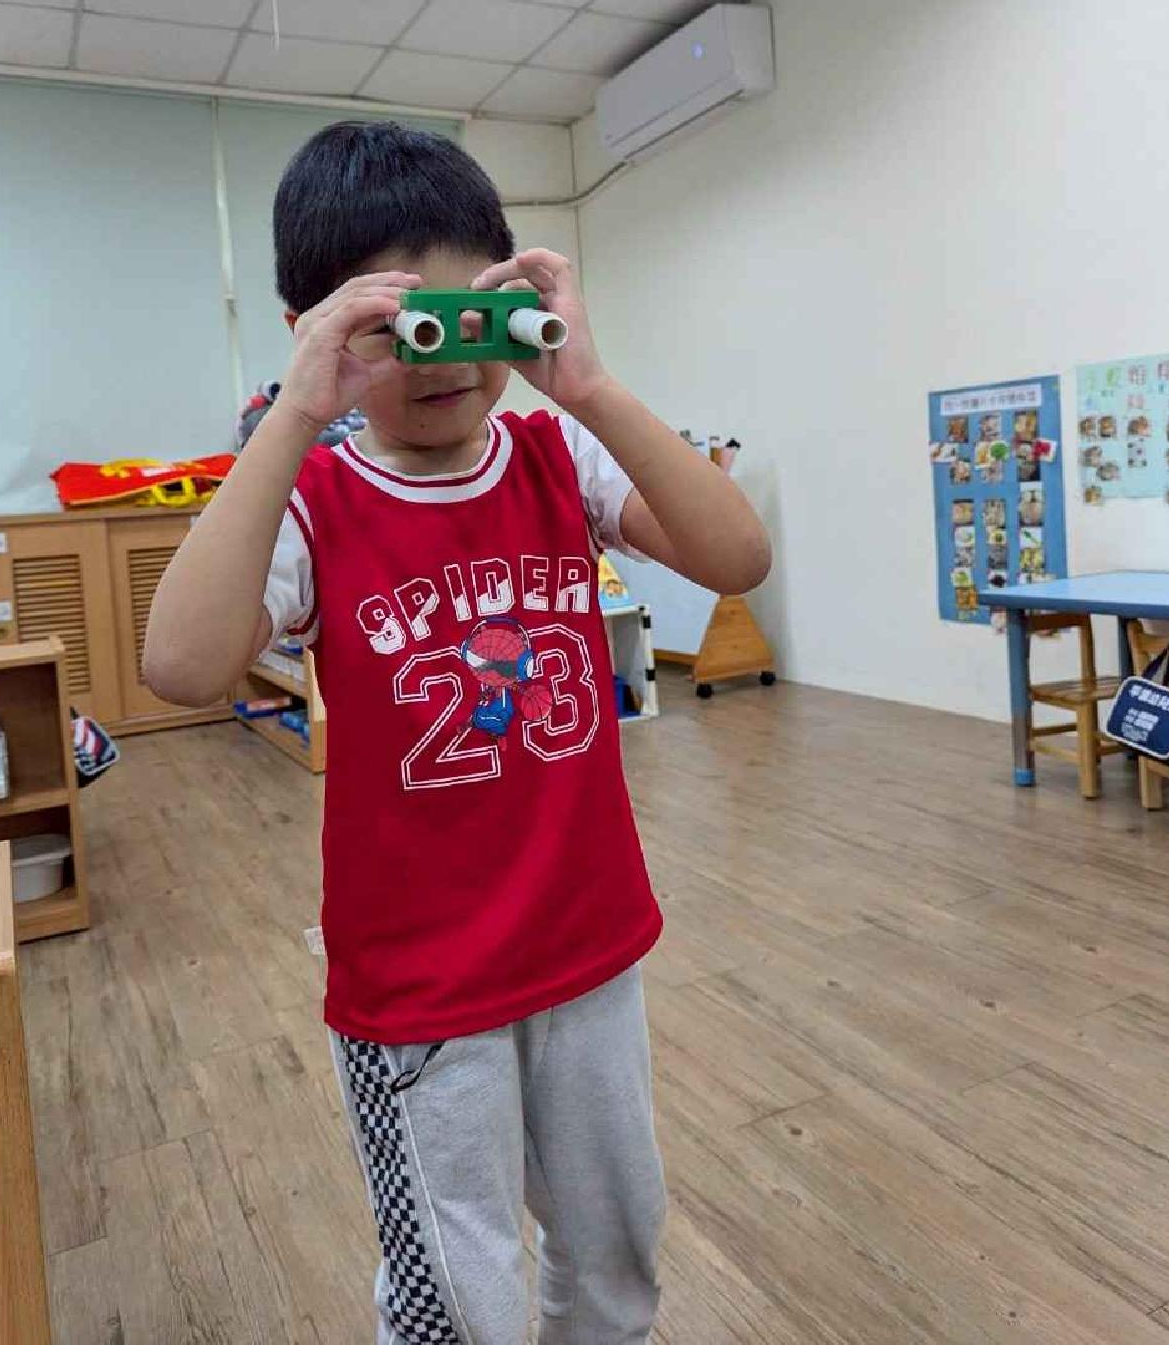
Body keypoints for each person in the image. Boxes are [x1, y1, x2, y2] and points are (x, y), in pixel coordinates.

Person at [144, 121, 771, 1344]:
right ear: (316, 333)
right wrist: (292, 417)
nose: (444, 359)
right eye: (397, 328)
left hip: (588, 948)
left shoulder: (556, 450)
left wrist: (587, 383)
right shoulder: (314, 501)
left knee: (616, 1254)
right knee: (454, 1293)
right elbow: (179, 666)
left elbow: (735, 555)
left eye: (469, 316)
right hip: (422, 990)